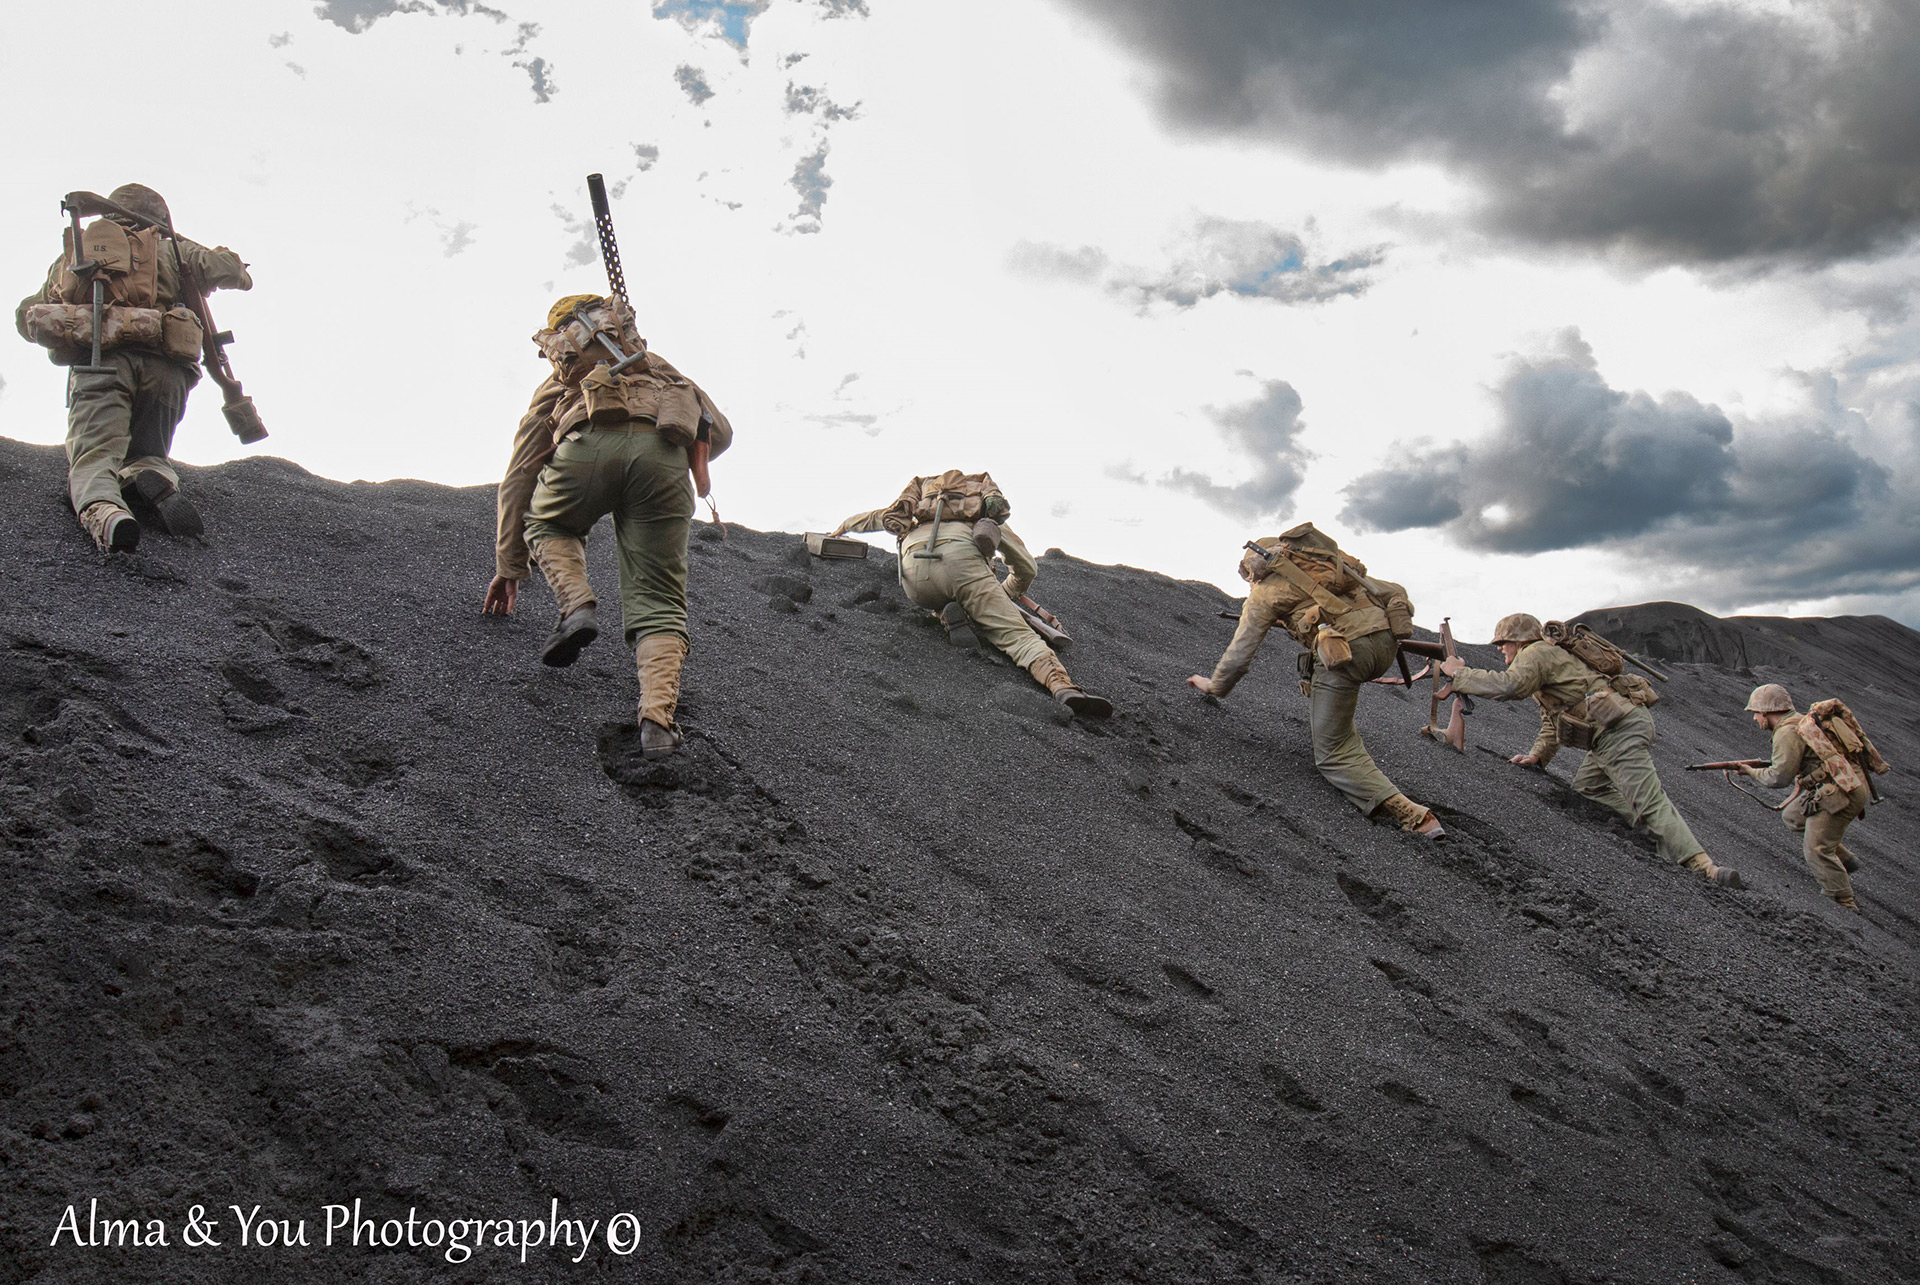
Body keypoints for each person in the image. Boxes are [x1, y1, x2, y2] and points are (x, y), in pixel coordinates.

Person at [483, 294, 731, 759]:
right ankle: (657, 723)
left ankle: (576, 605)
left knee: (548, 523)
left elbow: (520, 472)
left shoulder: (563, 381)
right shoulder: (657, 367)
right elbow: (721, 429)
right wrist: (666, 458)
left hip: (586, 447)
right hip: (665, 462)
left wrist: (510, 563)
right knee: (658, 602)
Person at [14, 183, 252, 552]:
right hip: (167, 372)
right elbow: (235, 274)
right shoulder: (174, 248)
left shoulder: (80, 250)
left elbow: (26, 315)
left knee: (95, 455)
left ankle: (107, 513)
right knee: (149, 450)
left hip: (101, 366)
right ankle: (150, 476)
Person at [1439, 613, 1740, 887]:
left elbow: (1510, 687)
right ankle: (1660, 838)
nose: (1499, 648)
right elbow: (1553, 718)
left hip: (1617, 730)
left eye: (1502, 642)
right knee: (1588, 790)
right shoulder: (1546, 657)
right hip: (1611, 731)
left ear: (1518, 640)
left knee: (1647, 798)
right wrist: (1538, 755)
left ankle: (1703, 866)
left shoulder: (1535, 653)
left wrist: (1459, 675)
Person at [1186, 522, 1443, 837]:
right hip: (1384, 646)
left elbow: (1239, 657)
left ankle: (1415, 816)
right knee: (1326, 685)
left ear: (1255, 570)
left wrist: (1214, 686)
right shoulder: (1334, 569)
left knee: (1333, 752)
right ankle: (1336, 725)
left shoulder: (1265, 594)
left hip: (1346, 656)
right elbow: (1395, 593)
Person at [832, 470, 1111, 718]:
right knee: (1018, 637)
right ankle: (1061, 685)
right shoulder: (982, 517)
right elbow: (1027, 568)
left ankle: (946, 614)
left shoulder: (915, 512)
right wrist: (1005, 592)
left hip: (914, 579)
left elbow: (870, 519)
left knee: (943, 591)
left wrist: (840, 530)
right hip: (965, 568)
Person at [1738, 684, 1867, 910]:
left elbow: (1779, 778)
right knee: (1793, 816)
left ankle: (1842, 901)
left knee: (1817, 848)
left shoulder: (1786, 733)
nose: (1755, 718)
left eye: (1756, 713)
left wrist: (1750, 772)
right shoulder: (1798, 720)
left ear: (1768, 712)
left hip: (1838, 791)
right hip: (1846, 782)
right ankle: (1846, 860)